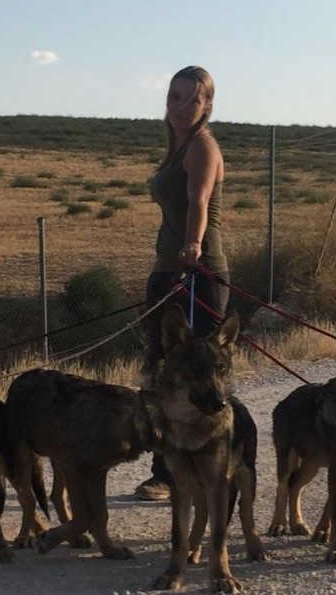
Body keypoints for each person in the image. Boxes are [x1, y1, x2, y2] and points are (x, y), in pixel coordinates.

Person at [134, 65, 230, 502]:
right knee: (159, 368)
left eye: (192, 99)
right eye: (175, 96)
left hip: (198, 272)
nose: (180, 106)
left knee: (197, 373)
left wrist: (193, 245)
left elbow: (199, 202)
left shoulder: (202, 146)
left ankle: (195, 470)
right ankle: (169, 466)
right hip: (167, 269)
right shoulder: (176, 147)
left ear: (207, 105)